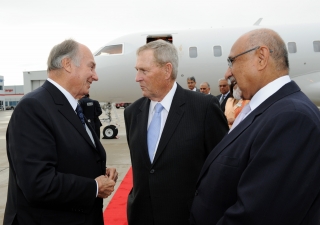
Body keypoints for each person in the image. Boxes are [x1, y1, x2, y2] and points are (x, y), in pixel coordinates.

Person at [190, 28, 320, 225]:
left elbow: (259, 216)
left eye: (232, 61)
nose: (227, 73)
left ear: (261, 57)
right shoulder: (268, 109)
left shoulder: (291, 119)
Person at [4, 39, 118, 225]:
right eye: (91, 67)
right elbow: (37, 183)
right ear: (67, 65)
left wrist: (100, 173)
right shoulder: (33, 107)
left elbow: (66, 157)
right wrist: (95, 187)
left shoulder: (74, 107)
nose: (95, 76)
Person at [125, 40, 228, 225]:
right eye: (136, 70)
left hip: (188, 217)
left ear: (167, 70)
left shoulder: (203, 107)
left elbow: (222, 169)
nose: (137, 78)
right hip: (142, 217)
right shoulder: (132, 113)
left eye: (144, 70)